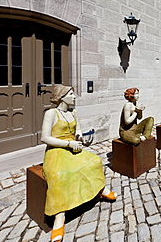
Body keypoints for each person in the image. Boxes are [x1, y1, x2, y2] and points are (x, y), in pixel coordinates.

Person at [41, 86, 117, 242]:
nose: (74, 97)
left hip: (73, 148)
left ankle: (100, 189)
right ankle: (59, 217)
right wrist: (68, 143)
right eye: (70, 94)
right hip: (56, 151)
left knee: (95, 161)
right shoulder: (51, 113)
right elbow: (45, 138)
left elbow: (78, 131)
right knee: (58, 175)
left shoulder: (73, 112)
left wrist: (80, 137)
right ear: (62, 97)